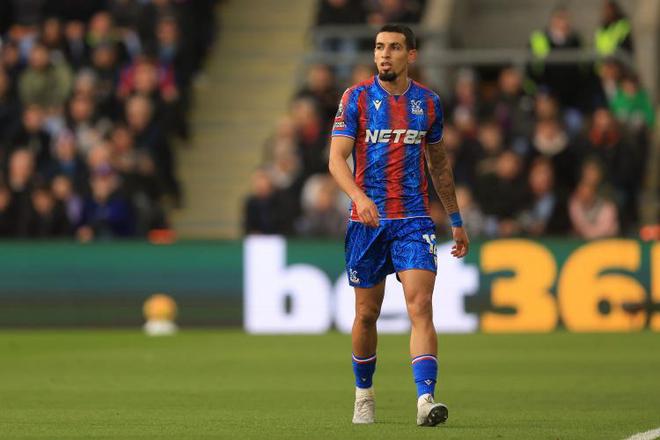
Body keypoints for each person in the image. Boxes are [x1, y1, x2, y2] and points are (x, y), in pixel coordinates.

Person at [328, 24, 469, 427]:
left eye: (393, 47)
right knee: (366, 314)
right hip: (367, 222)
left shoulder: (428, 103)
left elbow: (439, 165)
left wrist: (456, 219)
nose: (384, 54)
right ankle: (364, 395)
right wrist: (359, 198)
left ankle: (425, 399)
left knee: (421, 306)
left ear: (411, 55)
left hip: (413, 220)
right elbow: (336, 159)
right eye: (379, 47)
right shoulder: (355, 98)